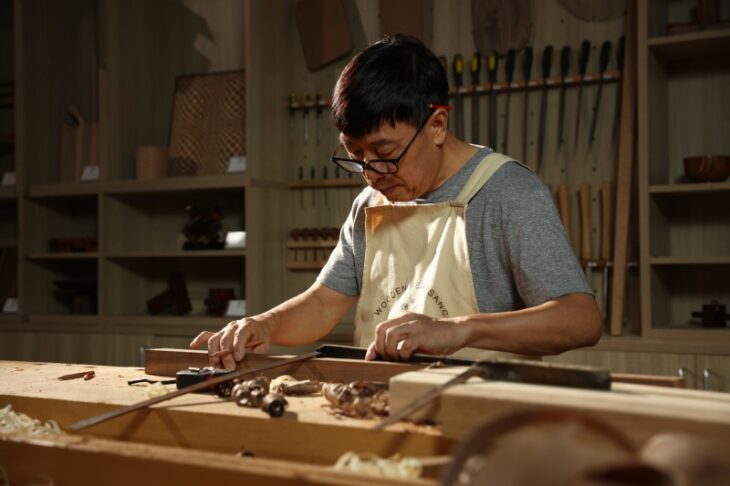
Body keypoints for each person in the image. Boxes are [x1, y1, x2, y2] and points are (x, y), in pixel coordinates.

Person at [191, 34, 601, 369]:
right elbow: (323, 302)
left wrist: (460, 329)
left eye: (386, 154)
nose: (371, 174)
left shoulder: (507, 192)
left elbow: (581, 319)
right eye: (356, 157)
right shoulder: (371, 202)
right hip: (378, 404)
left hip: (482, 422)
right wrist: (264, 324)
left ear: (437, 125)